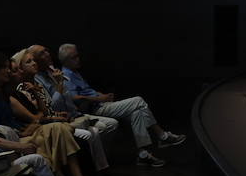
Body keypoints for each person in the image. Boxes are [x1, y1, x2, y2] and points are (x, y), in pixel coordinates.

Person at [52, 43, 186, 167]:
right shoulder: (66, 75)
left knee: (137, 112)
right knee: (138, 101)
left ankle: (143, 154)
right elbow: (75, 97)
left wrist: (102, 95)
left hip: (101, 103)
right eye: (74, 57)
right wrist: (100, 98)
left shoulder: (75, 72)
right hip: (96, 109)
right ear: (66, 60)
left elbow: (86, 90)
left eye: (77, 55)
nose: (78, 59)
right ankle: (162, 136)